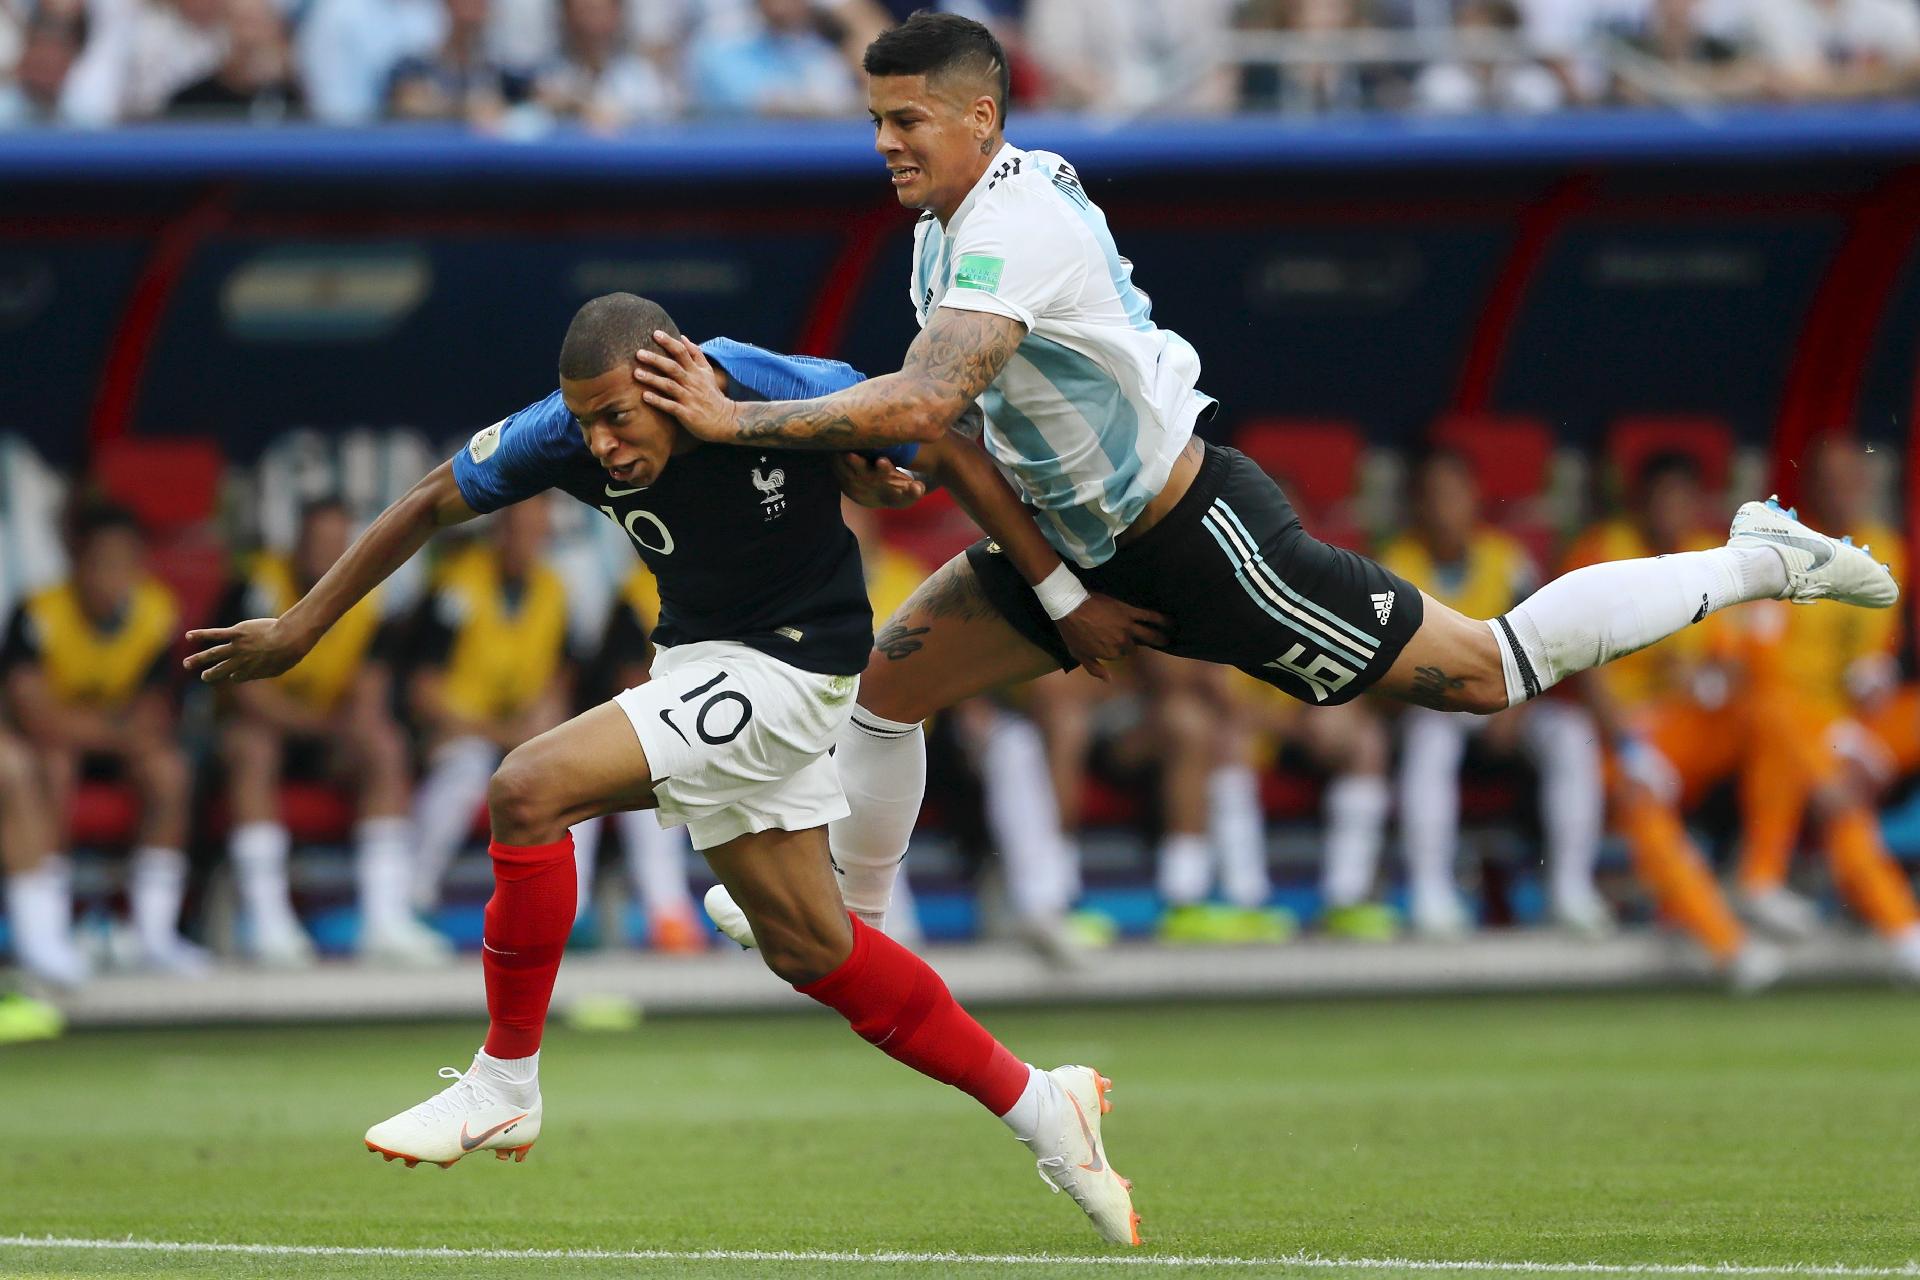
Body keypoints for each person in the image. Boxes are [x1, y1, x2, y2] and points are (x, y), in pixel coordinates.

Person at [637, 11, 1896, 949]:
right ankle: (846, 927)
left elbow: (925, 402)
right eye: (875, 120)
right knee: (890, 687)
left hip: (1197, 539)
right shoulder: (944, 231)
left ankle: (1757, 555)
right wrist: (1057, 592)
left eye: (905, 121)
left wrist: (736, 420)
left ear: (980, 117)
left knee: (1486, 671)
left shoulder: (1012, 226)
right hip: (1078, 546)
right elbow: (953, 430)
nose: (884, 142)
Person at [185, 293, 1145, 1247]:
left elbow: (937, 438)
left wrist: (1046, 587)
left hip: (795, 666)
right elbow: (432, 498)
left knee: (527, 789)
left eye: (618, 417)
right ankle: (1043, 1105)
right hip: (697, 664)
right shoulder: (562, 431)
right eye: (586, 422)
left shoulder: (765, 382)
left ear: (672, 373)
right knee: (814, 951)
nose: (601, 444)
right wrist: (301, 627)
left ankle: (503, 1085)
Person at [1377, 448, 1609, 939]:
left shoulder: (1507, 559)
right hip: (1434, 706)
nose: (1445, 507)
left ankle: (1570, 889)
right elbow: (1385, 666)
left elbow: (1550, 642)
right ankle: (1430, 892)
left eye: (1454, 494)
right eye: (1434, 496)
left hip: (1507, 704)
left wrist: (1518, 706)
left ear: (1474, 497)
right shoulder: (1395, 565)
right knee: (1430, 738)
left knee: (1571, 734)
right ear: (1417, 503)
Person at [213, 499, 444, 968]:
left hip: (330, 736)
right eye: (317, 542)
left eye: (337, 544)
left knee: (385, 745)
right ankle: (267, 921)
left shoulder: (371, 599)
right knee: (252, 746)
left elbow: (369, 690)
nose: (326, 554)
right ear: (296, 544)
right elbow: (242, 693)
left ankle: (384, 918)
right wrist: (317, 723)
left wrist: (341, 727)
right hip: (265, 730)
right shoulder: (255, 588)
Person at [2, 503, 205, 975]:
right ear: (77, 562)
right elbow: (36, 718)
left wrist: (94, 728)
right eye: (100, 563)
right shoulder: (37, 613)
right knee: (54, 762)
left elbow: (154, 717)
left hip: (116, 748)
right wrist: (109, 728)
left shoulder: (157, 613)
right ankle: (49, 929)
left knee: (169, 771)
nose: (111, 578)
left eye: (123, 564)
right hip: (54, 749)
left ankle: (155, 934)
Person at [403, 498, 576, 918]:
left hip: (520, 731)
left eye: (538, 532)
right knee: (466, 768)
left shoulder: (552, 589)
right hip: (457, 728)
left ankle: (566, 907)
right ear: (500, 529)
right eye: (519, 529)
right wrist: (499, 732)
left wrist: (545, 713)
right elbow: (422, 691)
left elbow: (561, 674)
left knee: (574, 778)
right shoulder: (457, 585)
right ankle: (413, 895)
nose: (528, 541)